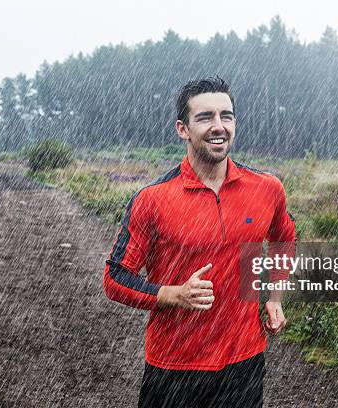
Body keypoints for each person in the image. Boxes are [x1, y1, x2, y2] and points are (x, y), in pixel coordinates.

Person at [103, 76, 296, 407]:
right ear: (183, 129)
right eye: (205, 117)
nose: (218, 126)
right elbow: (115, 279)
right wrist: (173, 294)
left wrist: (274, 295)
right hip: (174, 368)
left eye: (226, 116)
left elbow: (284, 238)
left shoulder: (266, 189)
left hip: (244, 364)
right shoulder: (153, 199)